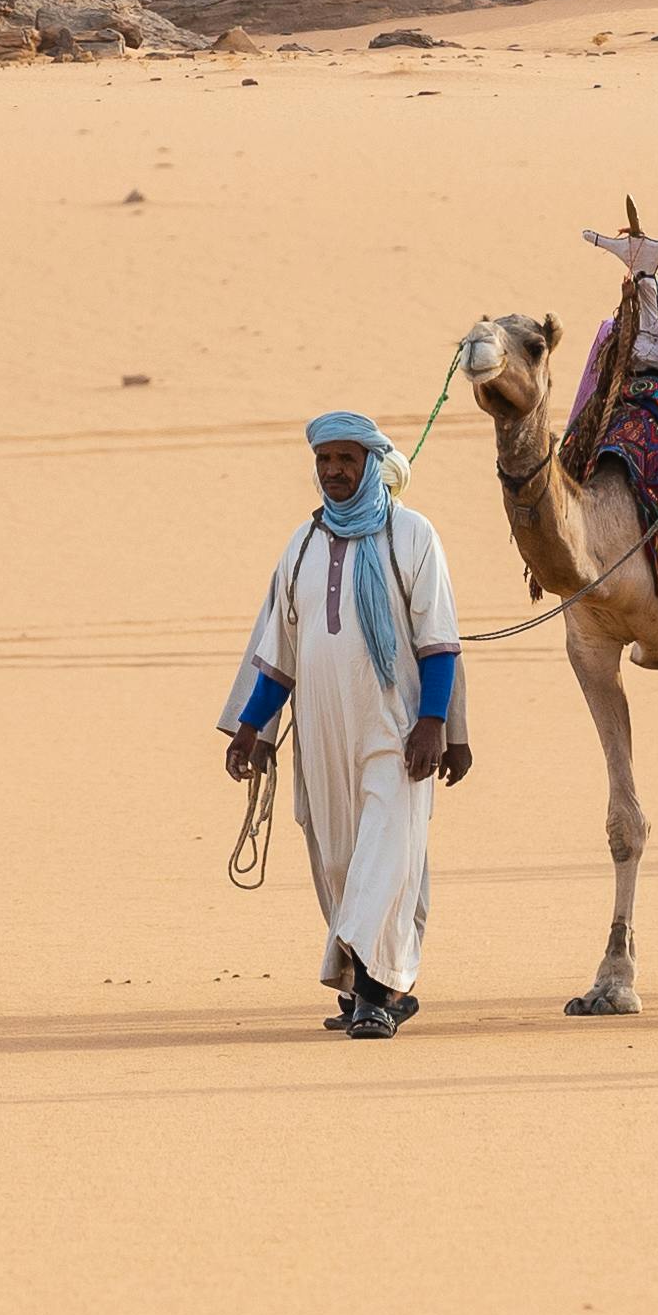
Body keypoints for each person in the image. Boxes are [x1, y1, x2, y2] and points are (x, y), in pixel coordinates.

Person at [219, 410, 468, 1038]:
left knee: (385, 855)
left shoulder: (411, 535)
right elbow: (280, 655)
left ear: (370, 464)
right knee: (336, 859)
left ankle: (376, 995)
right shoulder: (301, 547)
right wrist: (253, 729)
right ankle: (372, 986)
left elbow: (439, 643)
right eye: (324, 460)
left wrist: (434, 724)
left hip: (396, 728)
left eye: (346, 460)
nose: (333, 472)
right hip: (323, 732)